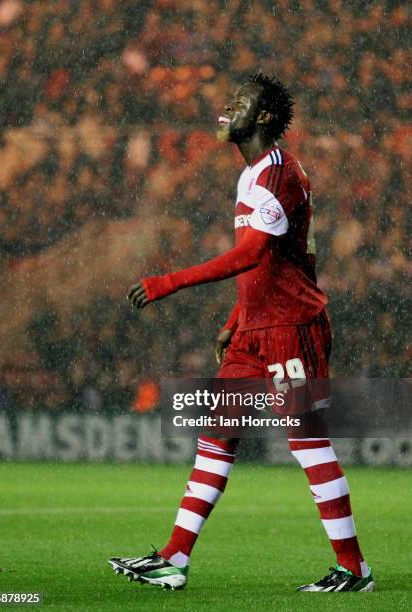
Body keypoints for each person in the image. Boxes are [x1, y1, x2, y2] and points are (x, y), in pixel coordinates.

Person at [109, 73, 373, 593]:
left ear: (265, 118)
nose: (227, 109)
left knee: (308, 444)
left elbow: (253, 253)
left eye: (240, 103)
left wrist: (169, 282)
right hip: (256, 331)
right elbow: (269, 262)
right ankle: (174, 559)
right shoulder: (253, 173)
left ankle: (354, 569)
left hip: (292, 329)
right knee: (216, 439)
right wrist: (236, 319)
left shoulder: (278, 173)